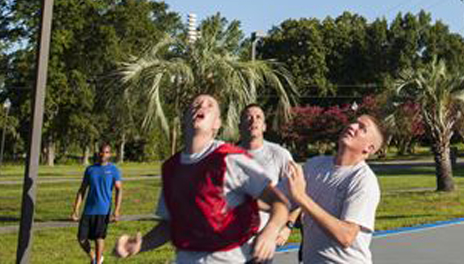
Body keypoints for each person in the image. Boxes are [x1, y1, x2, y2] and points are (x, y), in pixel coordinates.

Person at [114, 94, 290, 263]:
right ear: (184, 118)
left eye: (209, 105)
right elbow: (170, 225)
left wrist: (271, 232)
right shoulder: (171, 168)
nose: (201, 106)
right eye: (196, 104)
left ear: (217, 123)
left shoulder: (230, 158)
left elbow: (280, 203)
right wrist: (138, 246)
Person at [285, 114, 383, 264]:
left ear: (368, 149)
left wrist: (302, 198)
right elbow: (279, 198)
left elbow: (346, 236)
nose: (352, 126)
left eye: (362, 129)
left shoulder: (363, 180)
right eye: (354, 122)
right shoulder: (314, 165)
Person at [238, 103, 296, 250]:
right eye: (248, 117)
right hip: (230, 241)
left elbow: (300, 194)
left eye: (258, 117)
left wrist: (288, 226)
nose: (253, 120)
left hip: (262, 242)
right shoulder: (228, 156)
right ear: (240, 126)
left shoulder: (280, 155)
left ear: (264, 126)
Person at [71, 142, 123, 264]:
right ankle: (94, 257)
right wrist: (76, 209)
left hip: (103, 209)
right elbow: (82, 189)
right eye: (101, 152)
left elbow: (119, 190)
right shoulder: (90, 169)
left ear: (110, 154)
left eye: (106, 152)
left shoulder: (114, 170)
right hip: (88, 209)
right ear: (98, 153)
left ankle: (98, 262)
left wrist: (116, 210)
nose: (103, 154)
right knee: (81, 238)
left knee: (99, 237)